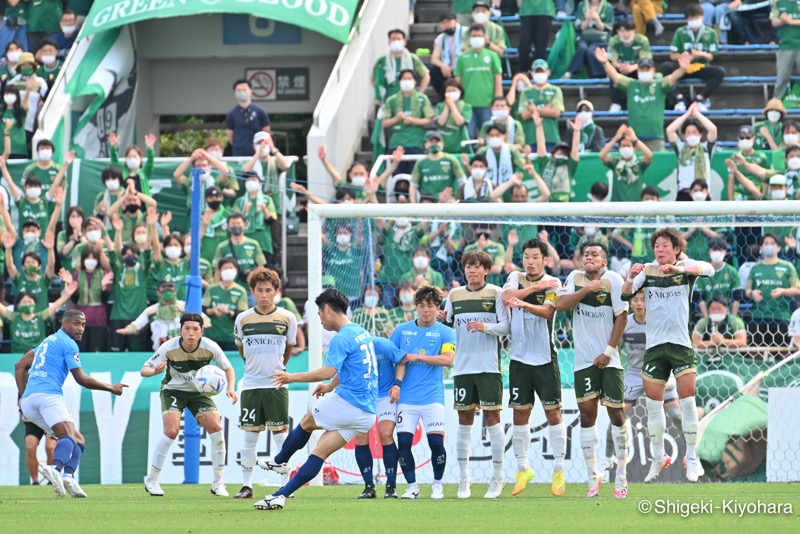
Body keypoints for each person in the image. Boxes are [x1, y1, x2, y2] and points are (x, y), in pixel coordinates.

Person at [253, 288, 379, 511]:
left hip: (350, 403)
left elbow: (327, 371)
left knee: (306, 421)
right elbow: (351, 368)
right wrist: (330, 387)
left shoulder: (341, 338)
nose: (319, 319)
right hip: (367, 415)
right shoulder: (361, 331)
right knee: (319, 452)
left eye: (319, 313)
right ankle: (280, 496)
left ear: (327, 309)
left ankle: (280, 460)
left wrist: (292, 377)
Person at [621, 228, 714, 483]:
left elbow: (710, 269)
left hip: (681, 346)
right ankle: (658, 456)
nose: (659, 250)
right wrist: (630, 276)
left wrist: (680, 269)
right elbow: (625, 294)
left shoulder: (686, 269)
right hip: (655, 348)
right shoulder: (648, 271)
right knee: (653, 408)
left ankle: (692, 459)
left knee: (687, 404)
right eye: (657, 246)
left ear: (676, 249)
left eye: (665, 246)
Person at [17, 310, 127, 498]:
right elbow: (81, 379)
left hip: (29, 401)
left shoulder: (48, 341)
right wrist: (111, 388)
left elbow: (19, 366)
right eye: (76, 323)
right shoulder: (69, 344)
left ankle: (69, 476)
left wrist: (22, 396)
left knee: (78, 439)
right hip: (48, 395)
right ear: (64, 324)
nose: (81, 328)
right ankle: (55, 468)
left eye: (83, 325)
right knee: (67, 436)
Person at [556, 242, 629, 498]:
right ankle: (592, 476)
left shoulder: (614, 280)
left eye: (595, 254)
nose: (589, 257)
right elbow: (560, 304)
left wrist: (608, 352)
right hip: (583, 361)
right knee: (587, 416)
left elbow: (622, 316)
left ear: (604, 261)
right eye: (586, 254)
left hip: (609, 359)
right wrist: (586, 289)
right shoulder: (575, 278)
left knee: (617, 415)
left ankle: (621, 475)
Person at [142, 313, 237, 497]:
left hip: (198, 393)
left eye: (195, 329)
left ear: (202, 331)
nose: (191, 333)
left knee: (217, 429)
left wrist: (231, 387)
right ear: (180, 331)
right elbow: (143, 370)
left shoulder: (210, 347)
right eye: (187, 329)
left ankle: (218, 483)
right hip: (173, 391)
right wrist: (155, 370)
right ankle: (152, 480)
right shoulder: (169, 347)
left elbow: (228, 368)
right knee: (171, 431)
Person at [501, 238, 567, 497]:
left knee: (554, 413)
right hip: (518, 359)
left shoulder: (554, 282)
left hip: (544, 359)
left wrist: (525, 303)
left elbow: (548, 312)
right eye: (526, 256)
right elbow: (507, 297)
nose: (529, 261)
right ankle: (522, 469)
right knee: (519, 415)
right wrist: (533, 288)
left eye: (534, 257)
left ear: (544, 260)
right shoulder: (516, 277)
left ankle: (559, 471)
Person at [442, 250, 510, 499]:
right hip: (462, 368)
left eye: (477, 266)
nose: (472, 270)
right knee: (464, 422)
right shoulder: (454, 294)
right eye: (468, 266)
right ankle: (464, 479)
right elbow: (448, 325)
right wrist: (441, 319)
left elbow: (506, 326)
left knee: (493, 419)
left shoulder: (496, 293)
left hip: (489, 367)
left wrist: (485, 327)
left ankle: (498, 476)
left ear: (486, 270)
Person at [231, 268, 297, 499]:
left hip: (277, 385)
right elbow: (242, 349)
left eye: (269, 290)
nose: (264, 295)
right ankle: (246, 485)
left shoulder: (287, 318)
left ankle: (285, 486)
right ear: (252, 292)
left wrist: (277, 369)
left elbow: (289, 349)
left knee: (281, 436)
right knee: (250, 437)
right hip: (250, 385)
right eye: (260, 290)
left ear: (276, 291)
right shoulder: (243, 318)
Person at [388, 286, 456, 499]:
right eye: (422, 305)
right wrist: (397, 384)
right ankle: (412, 487)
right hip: (406, 398)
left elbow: (447, 359)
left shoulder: (446, 332)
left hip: (432, 397)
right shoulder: (401, 331)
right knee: (404, 444)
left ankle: (437, 484)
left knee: (436, 443)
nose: (426, 310)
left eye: (430, 306)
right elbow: (397, 359)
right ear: (416, 307)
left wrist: (417, 357)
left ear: (438, 308)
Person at [603, 291, 682, 473]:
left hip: (659, 372)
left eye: (643, 300)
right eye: (635, 300)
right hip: (634, 374)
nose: (639, 304)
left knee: (676, 415)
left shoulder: (660, 322)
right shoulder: (625, 324)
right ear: (630, 303)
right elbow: (615, 350)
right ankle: (607, 457)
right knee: (617, 414)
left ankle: (692, 454)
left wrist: (670, 371)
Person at [597, 48, 690, 152]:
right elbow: (615, 76)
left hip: (656, 138)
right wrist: (605, 63)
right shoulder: (631, 85)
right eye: (642, 69)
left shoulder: (660, 85)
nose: (644, 71)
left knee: (657, 166)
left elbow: (673, 77)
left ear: (654, 71)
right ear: (637, 71)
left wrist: (682, 69)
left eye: (647, 69)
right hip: (634, 138)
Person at [662, 3, 725, 110]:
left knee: (719, 72)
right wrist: (682, 56)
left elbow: (711, 56)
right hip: (683, 67)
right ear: (687, 19)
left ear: (702, 17)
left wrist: (702, 54)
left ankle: (700, 99)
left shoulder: (711, 33)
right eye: (692, 18)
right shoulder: (680, 32)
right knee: (665, 67)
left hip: (701, 66)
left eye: (697, 17)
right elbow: (672, 55)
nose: (695, 20)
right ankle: (679, 99)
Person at [745, 233, 800, 347]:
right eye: (766, 243)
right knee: (757, 354)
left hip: (781, 316)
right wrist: (752, 293)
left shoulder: (787, 266)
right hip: (758, 317)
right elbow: (747, 291)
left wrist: (783, 291)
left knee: (782, 353)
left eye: (772, 243)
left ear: (778, 247)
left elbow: (797, 290)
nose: (769, 245)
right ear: (761, 248)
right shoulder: (755, 268)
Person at [454, 23, 502, 138]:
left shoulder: (492, 56)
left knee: (488, 135)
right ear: (469, 38)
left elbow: (498, 78)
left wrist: (497, 100)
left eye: (479, 36)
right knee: (469, 136)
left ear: (485, 37)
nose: (476, 38)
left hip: (487, 103)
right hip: (467, 105)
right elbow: (457, 81)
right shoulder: (462, 57)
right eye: (474, 36)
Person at [382, 69, 434, 174]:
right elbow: (384, 123)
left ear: (415, 81)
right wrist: (396, 119)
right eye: (404, 79)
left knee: (415, 176)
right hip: (397, 143)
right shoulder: (391, 100)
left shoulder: (422, 99)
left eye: (409, 78)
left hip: (416, 142)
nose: (407, 81)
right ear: (399, 82)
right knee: (398, 178)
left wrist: (413, 121)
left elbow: (429, 119)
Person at [666, 102, 718, 201]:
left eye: (694, 132)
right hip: (684, 193)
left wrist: (697, 113)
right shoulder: (681, 148)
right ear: (684, 136)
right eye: (688, 133)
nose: (691, 135)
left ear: (700, 134)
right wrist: (687, 113)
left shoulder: (706, 148)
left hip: (703, 193)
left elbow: (713, 129)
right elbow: (670, 130)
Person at [513, 59, 564, 153]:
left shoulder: (555, 90)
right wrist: (547, 108)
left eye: (542, 71)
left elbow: (556, 112)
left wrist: (534, 110)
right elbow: (524, 115)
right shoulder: (526, 92)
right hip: (531, 138)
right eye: (537, 71)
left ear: (548, 72)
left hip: (551, 136)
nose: (540, 74)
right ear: (532, 73)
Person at [372, 29, 430, 104]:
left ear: (404, 42)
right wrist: (380, 94)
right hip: (389, 101)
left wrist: (420, 93)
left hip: (409, 99)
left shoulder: (412, 58)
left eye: (399, 39)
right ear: (389, 42)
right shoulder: (381, 61)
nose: (396, 41)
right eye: (393, 39)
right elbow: (373, 78)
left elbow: (426, 75)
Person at [203, 257, 249, 352]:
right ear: (219, 271)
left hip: (232, 338)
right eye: (225, 268)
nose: (228, 270)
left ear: (236, 270)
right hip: (213, 337)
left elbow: (242, 315)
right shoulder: (212, 289)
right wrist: (212, 311)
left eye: (231, 267)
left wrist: (229, 312)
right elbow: (204, 309)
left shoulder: (240, 291)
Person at [607, 19, 653, 113]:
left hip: (636, 68)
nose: (625, 34)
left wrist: (632, 67)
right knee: (612, 73)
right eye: (622, 31)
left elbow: (645, 60)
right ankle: (615, 103)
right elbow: (613, 60)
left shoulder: (642, 40)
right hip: (621, 68)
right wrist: (621, 66)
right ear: (618, 31)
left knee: (645, 71)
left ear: (634, 31)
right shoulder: (613, 41)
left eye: (628, 31)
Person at [564, 0, 614, 80]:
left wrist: (597, 19)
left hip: (601, 38)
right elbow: (581, 27)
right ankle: (570, 72)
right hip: (585, 36)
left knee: (591, 50)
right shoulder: (582, 5)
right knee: (582, 47)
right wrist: (588, 19)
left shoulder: (608, 7)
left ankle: (599, 74)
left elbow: (605, 29)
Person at [409, 131, 465, 203]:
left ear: (442, 144)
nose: (434, 144)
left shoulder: (451, 159)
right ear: (426, 144)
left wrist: (458, 200)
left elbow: (462, 182)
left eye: (437, 142)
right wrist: (413, 205)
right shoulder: (421, 162)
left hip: (447, 201)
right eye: (431, 142)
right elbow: (413, 185)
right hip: (428, 202)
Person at [601, 125, 652, 202]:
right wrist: (616, 138)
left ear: (634, 148)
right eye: (623, 146)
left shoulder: (639, 162)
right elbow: (602, 155)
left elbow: (649, 155)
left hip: (636, 206)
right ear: (619, 148)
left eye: (628, 146)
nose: (626, 148)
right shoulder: (615, 162)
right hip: (617, 207)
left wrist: (635, 139)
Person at [696, 238, 743, 318]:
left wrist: (732, 318)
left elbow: (736, 298)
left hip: (728, 314)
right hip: (709, 314)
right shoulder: (703, 271)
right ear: (709, 251)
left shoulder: (732, 271)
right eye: (714, 249)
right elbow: (700, 299)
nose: (717, 252)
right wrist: (707, 318)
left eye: (720, 249)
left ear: (725, 252)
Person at [692, 295, 747, 359]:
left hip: (731, 357)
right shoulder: (703, 322)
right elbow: (694, 342)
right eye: (713, 309)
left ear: (727, 310)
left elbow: (742, 342)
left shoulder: (735, 321)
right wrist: (712, 342)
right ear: (708, 311)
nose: (716, 312)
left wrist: (723, 341)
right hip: (707, 356)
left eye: (719, 309)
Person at [225, 79, 271, 157]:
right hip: (238, 154)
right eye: (239, 90)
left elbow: (266, 132)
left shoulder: (260, 111)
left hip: (259, 153)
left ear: (250, 90)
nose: (242, 92)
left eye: (244, 90)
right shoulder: (231, 114)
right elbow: (229, 135)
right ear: (235, 93)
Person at [726, 125, 770, 201]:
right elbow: (731, 180)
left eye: (748, 137)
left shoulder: (762, 157)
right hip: (739, 196)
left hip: (756, 196)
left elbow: (765, 180)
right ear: (738, 139)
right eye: (742, 138)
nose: (745, 140)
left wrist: (763, 198)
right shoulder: (734, 157)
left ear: (754, 139)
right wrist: (730, 201)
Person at [435, 80, 473, 154]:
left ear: (460, 91)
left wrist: (452, 105)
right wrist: (447, 106)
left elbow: (460, 122)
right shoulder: (440, 106)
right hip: (444, 142)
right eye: (449, 91)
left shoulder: (466, 106)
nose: (451, 93)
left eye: (454, 90)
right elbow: (441, 122)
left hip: (461, 142)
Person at [430, 14, 464, 96]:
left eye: (449, 21)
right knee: (432, 69)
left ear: (455, 21)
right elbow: (434, 59)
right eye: (443, 22)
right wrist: (443, 66)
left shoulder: (465, 32)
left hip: (463, 66)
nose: (446, 24)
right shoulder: (440, 38)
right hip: (449, 69)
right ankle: (443, 96)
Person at [772, 0, 800, 100]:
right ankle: (776, 104)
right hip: (785, 45)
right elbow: (774, 22)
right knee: (782, 77)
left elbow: (791, 21)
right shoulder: (778, 3)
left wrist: (791, 21)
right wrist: (782, 21)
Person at [517, 0, 555, 73]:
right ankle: (524, 73)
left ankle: (539, 73)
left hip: (545, 10)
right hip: (527, 11)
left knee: (540, 47)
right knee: (523, 46)